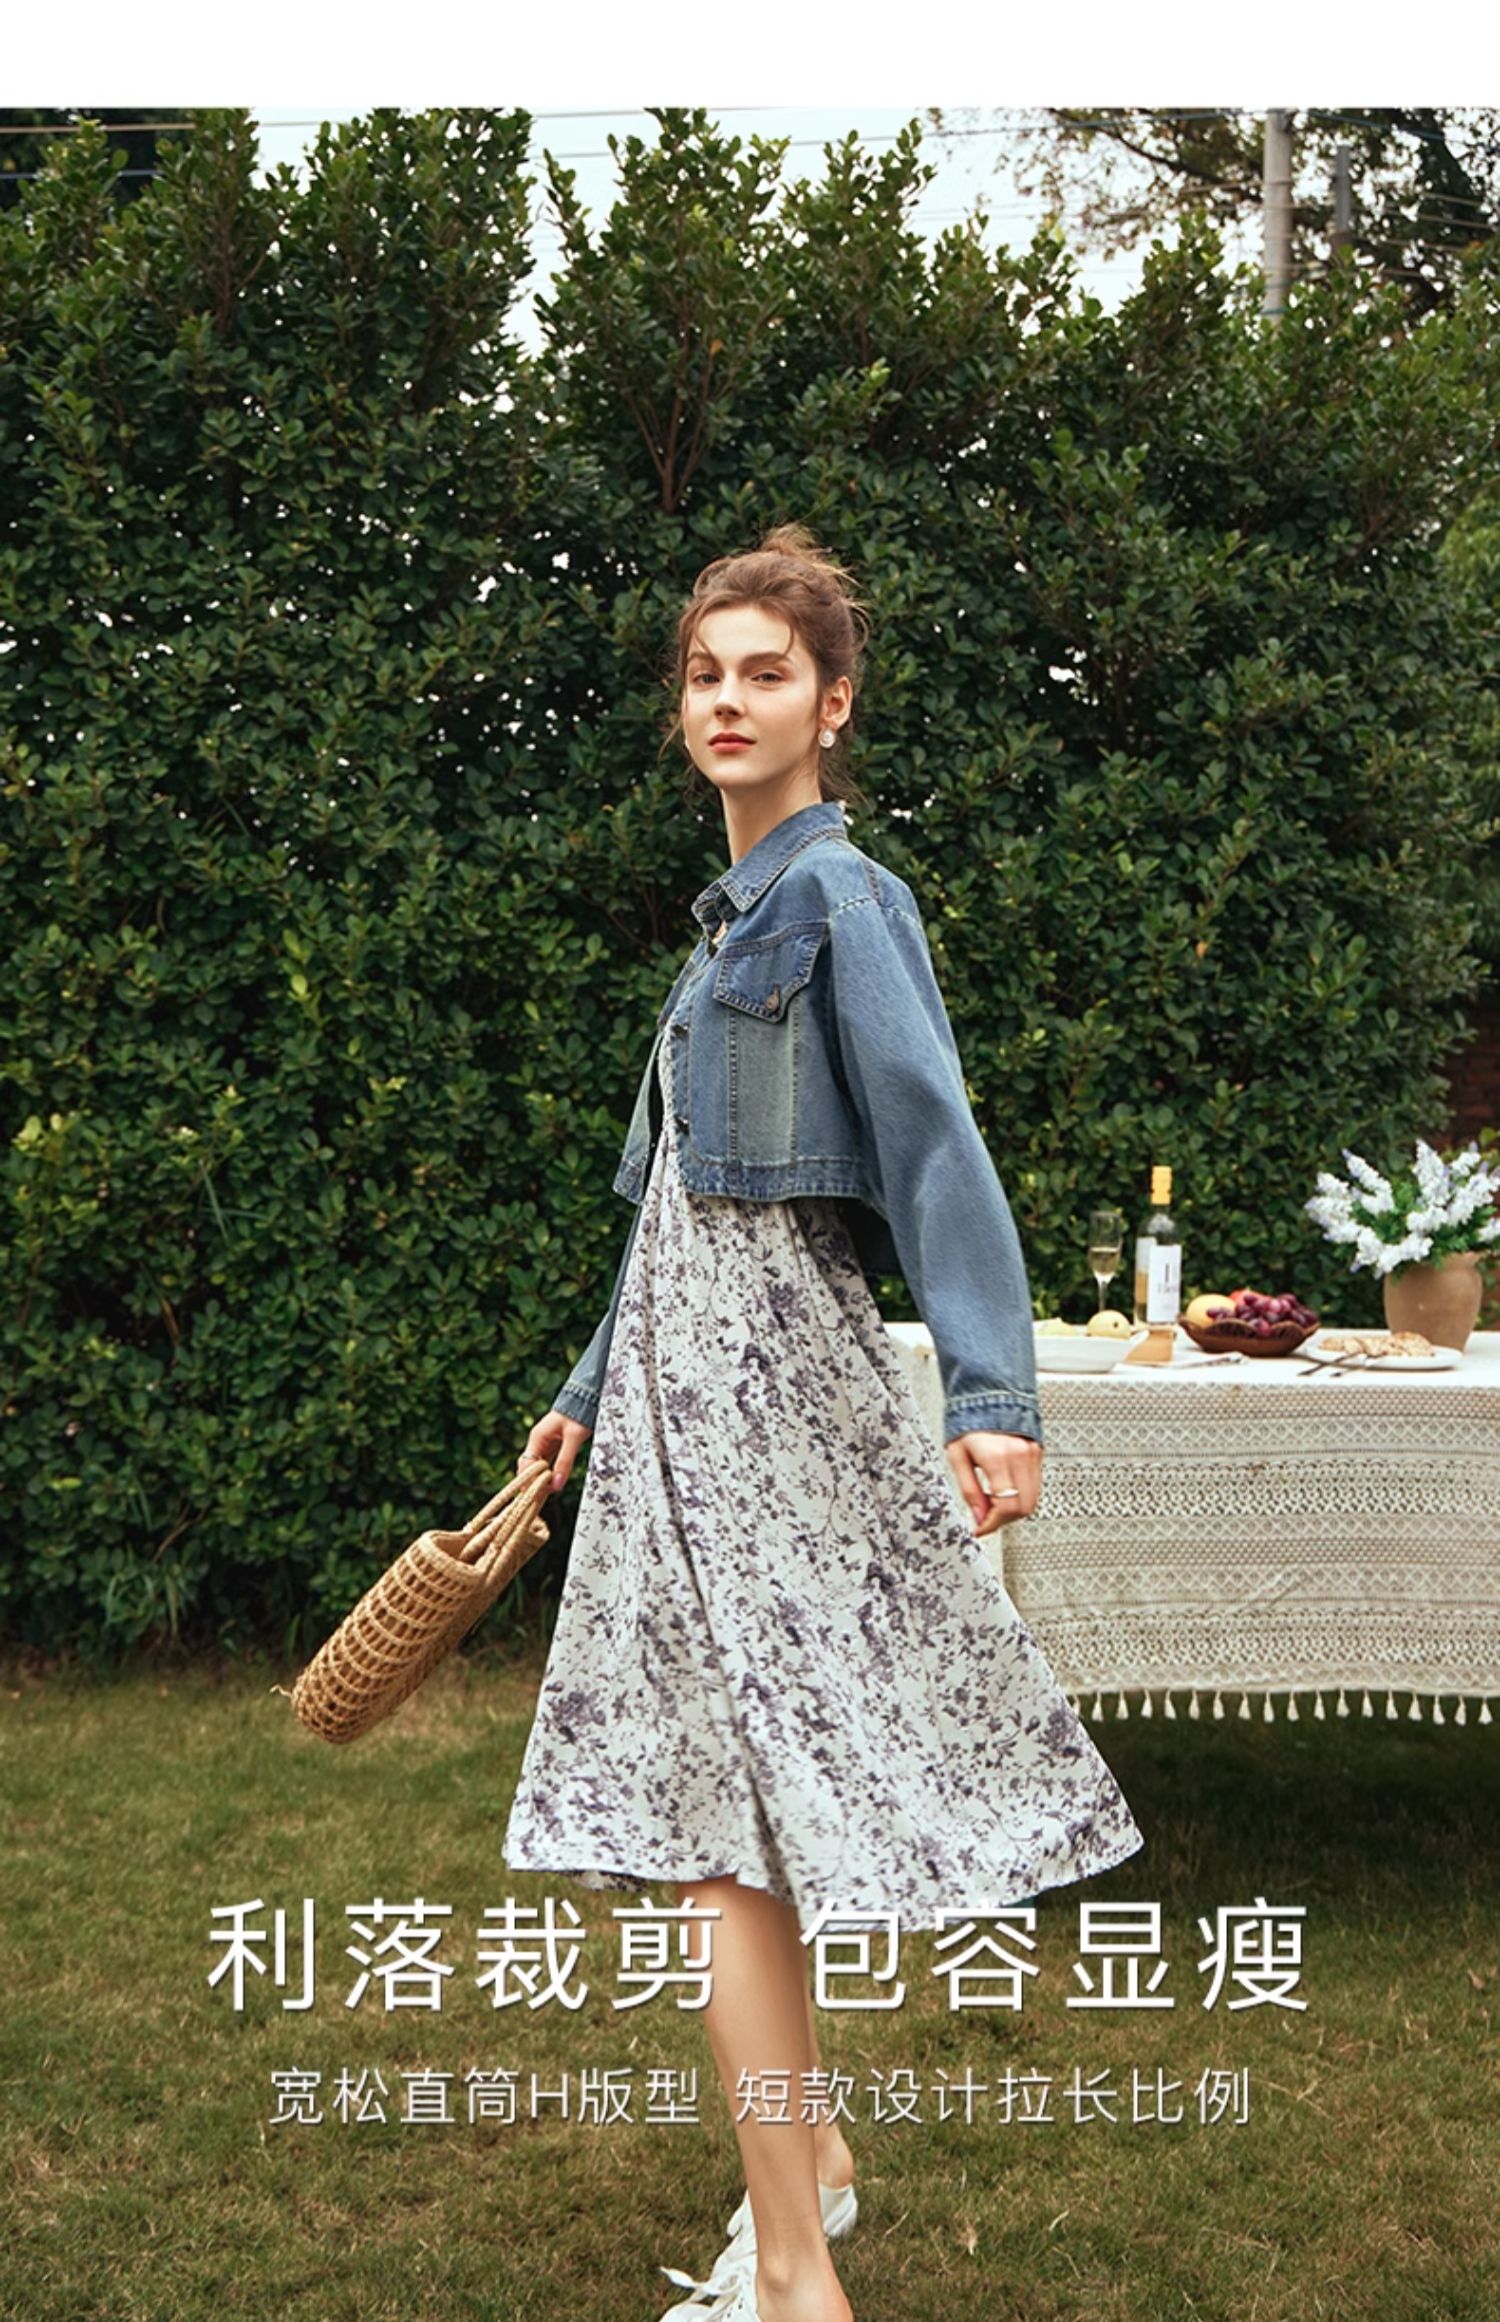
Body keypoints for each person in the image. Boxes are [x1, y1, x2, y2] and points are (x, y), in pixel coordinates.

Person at [504, 525, 1145, 2322]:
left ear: (831, 704)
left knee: (717, 1827)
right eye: (705, 674)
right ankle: (816, 2176)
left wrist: (994, 1392)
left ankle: (797, 2270)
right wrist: (580, 1399)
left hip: (769, 1397)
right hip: (669, 1400)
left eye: (766, 673)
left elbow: (937, 1146)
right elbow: (670, 1214)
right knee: (726, 1819)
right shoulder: (722, 931)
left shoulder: (844, 903)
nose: (729, 699)